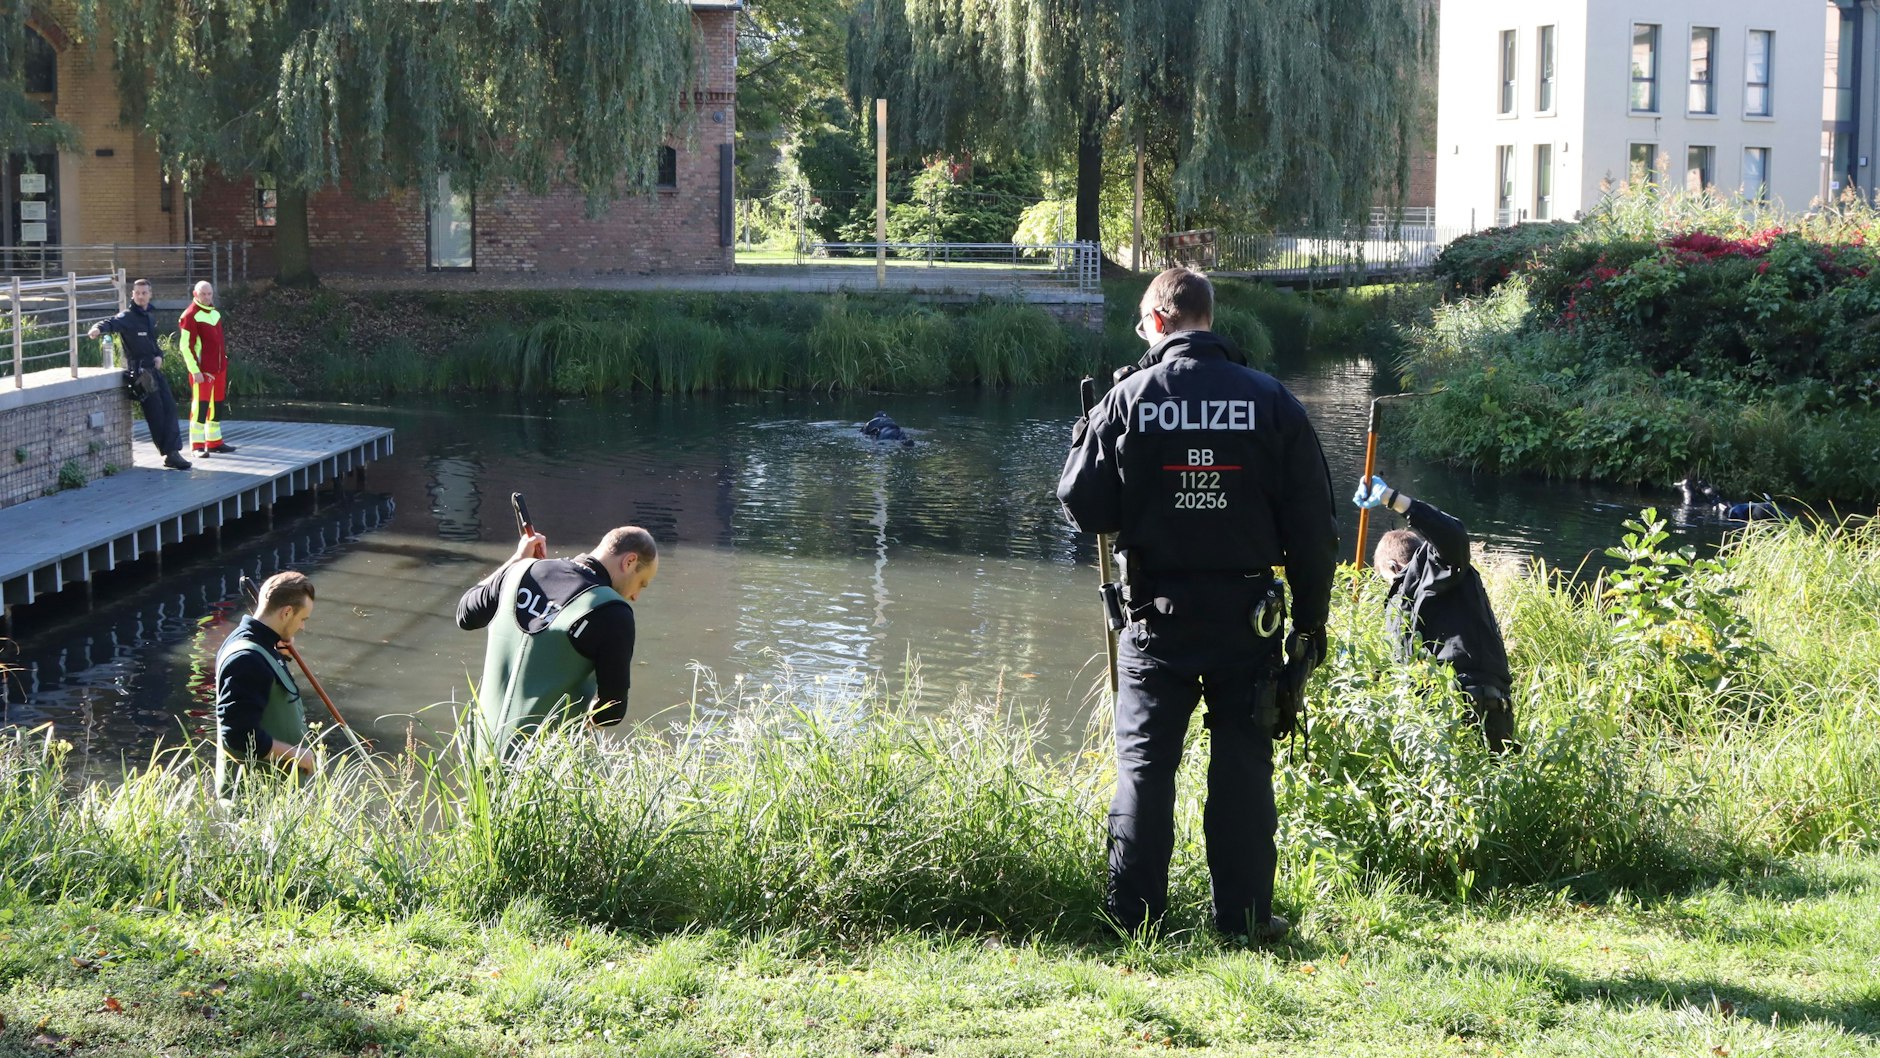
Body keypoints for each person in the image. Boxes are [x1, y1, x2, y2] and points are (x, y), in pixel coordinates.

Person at [1058, 267, 1339, 943]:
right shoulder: (1272, 401)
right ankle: (1241, 920)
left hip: (1157, 616)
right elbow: (1313, 529)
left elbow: (1082, 505)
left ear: (1157, 321)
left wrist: (1090, 428)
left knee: (1145, 770)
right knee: (1242, 766)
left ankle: (1134, 921)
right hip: (1249, 617)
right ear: (1208, 318)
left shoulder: (1126, 399)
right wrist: (1310, 621)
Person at [457, 524, 659, 761]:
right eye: (641, 583)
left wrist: (517, 559)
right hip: (538, 771)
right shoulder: (613, 612)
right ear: (629, 562)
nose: (636, 596)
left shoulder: (518, 572)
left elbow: (465, 614)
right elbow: (611, 712)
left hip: (478, 755)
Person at [1352, 476, 1515, 753]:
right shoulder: (1403, 603)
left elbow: (1453, 536)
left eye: (1386, 580)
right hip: (1442, 717)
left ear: (1393, 567)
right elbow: (1403, 664)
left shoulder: (1437, 567)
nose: (1391, 589)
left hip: (1472, 704)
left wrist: (1392, 499)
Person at [215, 571, 319, 788]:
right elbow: (238, 735)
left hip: (274, 793)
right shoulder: (247, 660)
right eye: (302, 619)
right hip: (255, 799)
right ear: (287, 612)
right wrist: (295, 754)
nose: (302, 627)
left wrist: (277, 654)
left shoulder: (255, 643)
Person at [88, 279, 191, 470]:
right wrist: (97, 329)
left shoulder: (149, 316)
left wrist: (159, 356)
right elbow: (111, 322)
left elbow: (153, 343)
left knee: (170, 408)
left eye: (144, 293)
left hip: (154, 369)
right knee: (156, 413)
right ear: (132, 295)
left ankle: (174, 452)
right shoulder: (127, 316)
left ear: (150, 294)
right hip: (140, 373)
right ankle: (170, 453)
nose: (141, 296)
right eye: (138, 293)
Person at [177, 280, 236, 456]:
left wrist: (223, 361)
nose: (207, 297)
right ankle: (197, 446)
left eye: (209, 293)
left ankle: (214, 442)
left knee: (216, 405)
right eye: (203, 294)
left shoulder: (214, 313)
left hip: (219, 368)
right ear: (195, 294)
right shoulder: (190, 315)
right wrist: (195, 370)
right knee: (200, 407)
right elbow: (185, 347)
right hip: (203, 370)